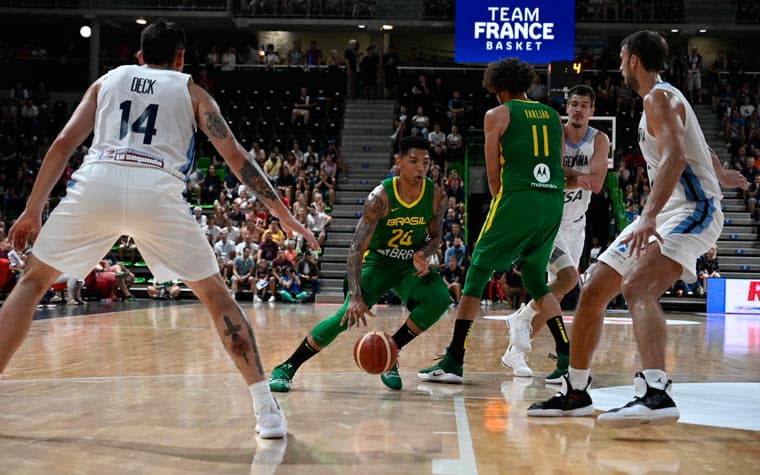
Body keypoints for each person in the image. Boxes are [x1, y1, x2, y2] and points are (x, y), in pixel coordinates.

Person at [0, 20, 319, 439]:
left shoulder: (106, 82)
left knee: (32, 283)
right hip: (157, 190)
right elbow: (236, 157)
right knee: (216, 296)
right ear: (182, 58)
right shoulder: (192, 92)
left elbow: (63, 143)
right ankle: (266, 410)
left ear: (139, 56)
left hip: (98, 182)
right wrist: (282, 212)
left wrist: (32, 208)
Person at [528, 30, 748, 427]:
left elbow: (676, 157)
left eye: (621, 56)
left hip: (694, 208)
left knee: (637, 286)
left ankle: (656, 391)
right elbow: (695, 145)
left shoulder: (658, 97)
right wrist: (721, 172)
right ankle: (576, 390)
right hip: (671, 211)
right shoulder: (666, 98)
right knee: (594, 288)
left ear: (633, 60)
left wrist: (647, 216)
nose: (618, 65)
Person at [417, 58, 565, 384]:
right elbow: (557, 161)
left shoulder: (497, 114)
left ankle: (454, 359)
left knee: (477, 273)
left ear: (499, 88)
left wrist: (505, 202)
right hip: (553, 201)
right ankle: (567, 359)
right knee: (537, 281)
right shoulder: (554, 115)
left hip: (518, 197)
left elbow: (493, 177)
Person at [268, 136, 449, 392]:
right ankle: (286, 367)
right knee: (346, 316)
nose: (421, 167)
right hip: (378, 262)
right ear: (398, 162)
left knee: (440, 298)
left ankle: (390, 354)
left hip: (408, 264)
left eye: (426, 163)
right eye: (414, 161)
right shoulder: (380, 198)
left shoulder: (435, 196)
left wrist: (424, 252)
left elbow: (436, 235)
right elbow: (355, 249)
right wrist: (355, 296)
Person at [500, 85, 610, 382]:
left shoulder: (601, 140)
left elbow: (597, 184)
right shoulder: (555, 132)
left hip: (576, 225)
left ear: (592, 110)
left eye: (584, 105)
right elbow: (552, 175)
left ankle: (516, 344)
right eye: (574, 104)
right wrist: (578, 178)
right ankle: (521, 324)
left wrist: (568, 177)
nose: (578, 109)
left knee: (557, 290)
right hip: (548, 219)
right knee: (568, 279)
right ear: (567, 106)